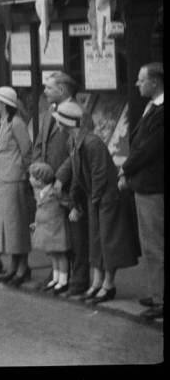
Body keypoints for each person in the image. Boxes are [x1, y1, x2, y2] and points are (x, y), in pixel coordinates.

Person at [56, 99, 140, 305]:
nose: (57, 124)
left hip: (108, 200)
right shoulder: (74, 142)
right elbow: (77, 174)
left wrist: (91, 201)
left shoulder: (92, 143)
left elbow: (100, 175)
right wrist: (75, 200)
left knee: (108, 241)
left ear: (66, 123)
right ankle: (96, 283)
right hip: (96, 198)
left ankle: (108, 285)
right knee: (96, 241)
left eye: (59, 120)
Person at [31, 71, 89, 295]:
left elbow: (78, 148)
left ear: (62, 90)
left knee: (75, 233)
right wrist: (37, 172)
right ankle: (57, 275)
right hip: (47, 183)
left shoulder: (80, 113)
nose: (44, 91)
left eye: (49, 87)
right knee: (54, 232)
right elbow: (39, 144)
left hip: (69, 181)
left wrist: (60, 177)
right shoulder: (48, 113)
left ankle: (78, 278)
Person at [119, 62, 164, 320]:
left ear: (154, 82)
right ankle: (157, 291)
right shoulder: (153, 108)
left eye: (141, 80)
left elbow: (147, 150)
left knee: (154, 243)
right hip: (145, 183)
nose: (137, 84)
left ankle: (160, 299)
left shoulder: (161, 112)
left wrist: (125, 169)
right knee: (151, 242)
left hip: (152, 186)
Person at [0, 86, 33, 286]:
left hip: (14, 179)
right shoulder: (0, 123)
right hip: (2, 180)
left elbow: (27, 152)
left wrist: (27, 175)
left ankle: (23, 267)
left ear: (5, 104)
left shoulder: (16, 123)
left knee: (17, 224)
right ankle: (13, 265)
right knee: (7, 225)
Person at [28, 161, 70, 295]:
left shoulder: (54, 192)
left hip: (56, 228)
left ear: (40, 180)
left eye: (32, 177)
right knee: (52, 254)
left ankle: (63, 280)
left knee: (60, 254)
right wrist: (36, 222)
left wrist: (74, 209)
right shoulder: (38, 193)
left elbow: (66, 202)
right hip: (47, 229)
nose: (30, 179)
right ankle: (56, 278)